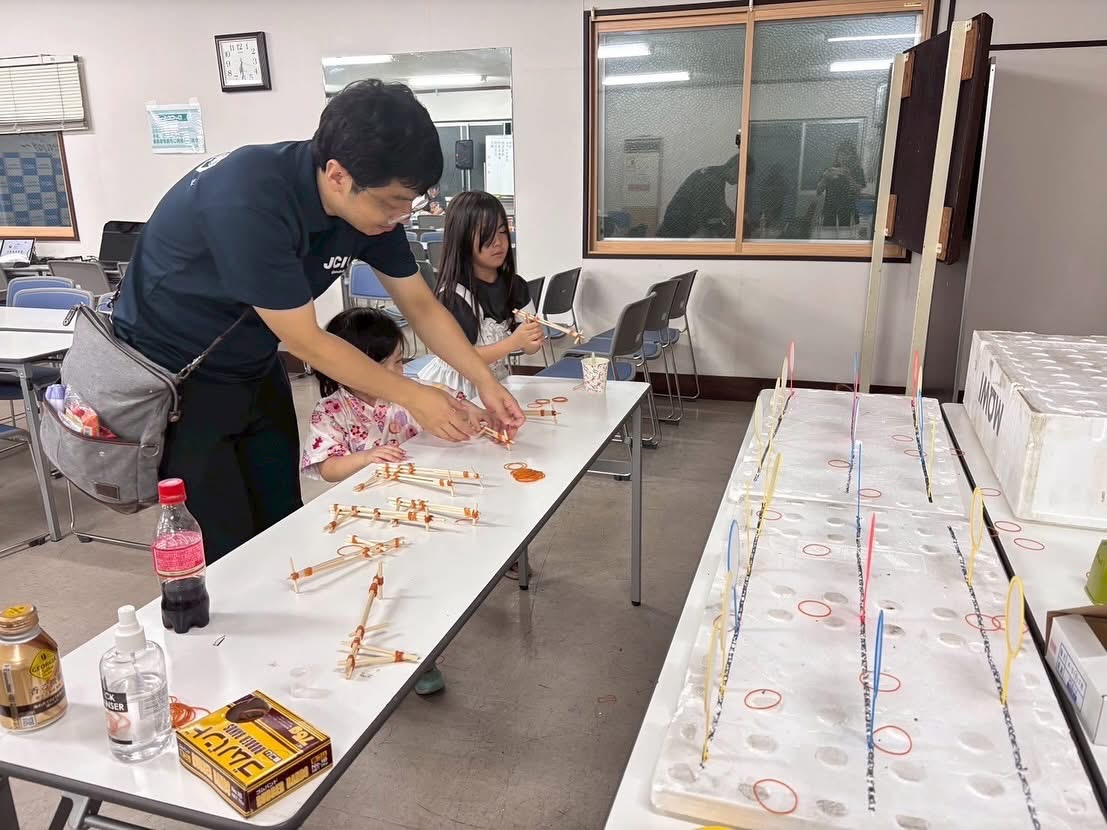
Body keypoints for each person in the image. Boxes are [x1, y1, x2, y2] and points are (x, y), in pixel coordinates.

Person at [112, 80, 524, 563]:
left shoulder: (370, 207)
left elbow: (421, 305)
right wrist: (417, 396)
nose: (400, 215)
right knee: (221, 544)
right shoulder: (248, 198)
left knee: (283, 519)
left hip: (253, 360)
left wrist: (483, 381)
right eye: (393, 201)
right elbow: (306, 340)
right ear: (337, 175)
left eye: (410, 202)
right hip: (177, 377)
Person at [418, 191, 544, 402]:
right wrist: (514, 342)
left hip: (495, 380)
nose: (498, 242)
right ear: (462, 239)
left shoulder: (516, 285)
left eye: (502, 231)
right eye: (486, 234)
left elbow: (530, 347)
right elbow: (460, 358)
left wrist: (532, 340)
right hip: (456, 388)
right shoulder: (453, 296)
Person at [656, 154, 738, 238]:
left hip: (674, 227)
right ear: (733, 167)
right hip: (676, 232)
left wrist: (731, 218)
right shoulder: (712, 180)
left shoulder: (711, 174)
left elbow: (719, 206)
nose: (737, 181)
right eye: (739, 175)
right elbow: (708, 214)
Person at [816, 141, 866, 229]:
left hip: (848, 211)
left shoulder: (857, 170)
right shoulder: (830, 169)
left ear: (852, 156)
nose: (844, 157)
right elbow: (818, 191)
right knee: (828, 235)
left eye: (847, 154)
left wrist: (848, 176)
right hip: (830, 211)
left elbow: (858, 192)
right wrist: (825, 177)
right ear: (837, 155)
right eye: (841, 153)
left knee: (847, 236)